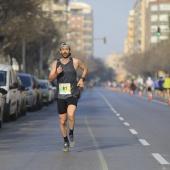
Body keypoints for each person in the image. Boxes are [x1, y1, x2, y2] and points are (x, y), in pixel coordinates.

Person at [48, 42, 88, 152]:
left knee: (71, 115)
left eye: (67, 49)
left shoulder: (75, 62)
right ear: (60, 51)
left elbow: (85, 69)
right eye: (63, 49)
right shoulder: (55, 63)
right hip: (61, 95)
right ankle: (65, 141)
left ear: (70, 51)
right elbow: (50, 79)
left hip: (72, 92)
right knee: (62, 120)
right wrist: (56, 72)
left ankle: (71, 133)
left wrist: (82, 79)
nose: (65, 51)